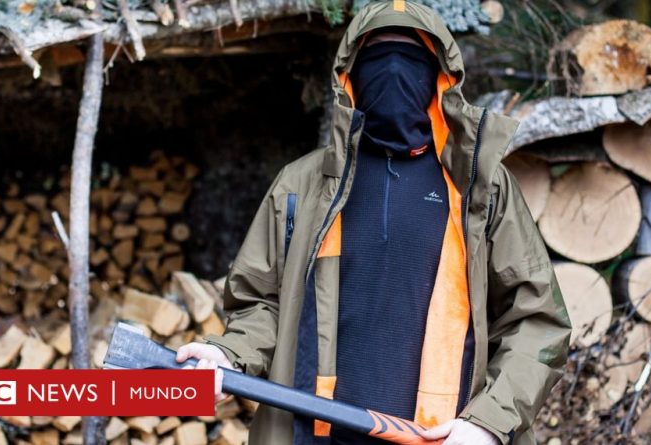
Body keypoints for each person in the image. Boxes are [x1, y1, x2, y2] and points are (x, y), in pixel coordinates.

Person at [176, 1, 571, 444]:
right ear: (350, 75)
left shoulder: (481, 188)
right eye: (377, 55)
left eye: (411, 56)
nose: (394, 71)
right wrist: (227, 355)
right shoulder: (302, 185)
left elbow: (535, 321)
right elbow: (261, 302)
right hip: (314, 436)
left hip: (441, 438)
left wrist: (487, 423)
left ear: (439, 74)